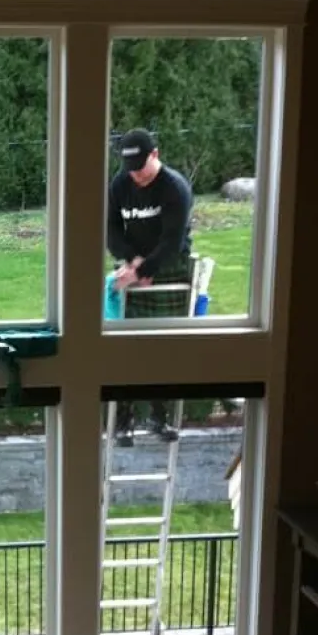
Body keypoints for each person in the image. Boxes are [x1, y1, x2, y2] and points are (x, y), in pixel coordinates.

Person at [106, 128, 194, 447]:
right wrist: (132, 262)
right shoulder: (120, 184)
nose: (136, 176)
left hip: (170, 267)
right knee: (126, 346)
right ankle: (124, 422)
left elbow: (172, 241)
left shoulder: (175, 188)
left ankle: (160, 417)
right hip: (135, 265)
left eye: (141, 167)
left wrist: (146, 269)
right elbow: (111, 230)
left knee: (164, 345)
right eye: (131, 168)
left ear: (155, 155)